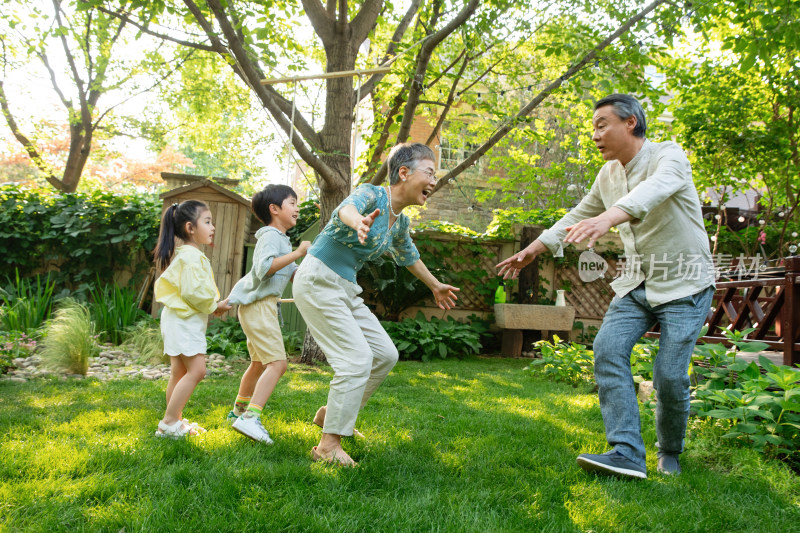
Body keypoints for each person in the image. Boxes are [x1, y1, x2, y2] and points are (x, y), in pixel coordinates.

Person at [497, 94, 715, 478]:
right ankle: (626, 451)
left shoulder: (669, 156)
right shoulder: (608, 174)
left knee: (668, 373)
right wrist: (533, 249)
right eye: (593, 128)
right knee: (607, 349)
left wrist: (609, 219)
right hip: (637, 282)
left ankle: (670, 451)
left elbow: (654, 191)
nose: (595, 135)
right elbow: (577, 214)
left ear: (630, 122)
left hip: (685, 283)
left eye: (601, 125)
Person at [293, 142, 460, 466]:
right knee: (356, 359)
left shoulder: (399, 222)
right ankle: (328, 446)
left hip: (345, 288)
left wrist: (436, 285)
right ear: (403, 172)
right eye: (429, 172)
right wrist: (357, 222)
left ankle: (333, 414)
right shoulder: (373, 195)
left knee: (384, 354)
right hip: (318, 280)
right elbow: (346, 209)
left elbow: (409, 256)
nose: (434, 180)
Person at [226, 185, 311, 444]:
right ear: (274, 209)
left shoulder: (281, 239)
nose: (297, 208)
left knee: (259, 363)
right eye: (292, 203)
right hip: (260, 306)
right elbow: (264, 269)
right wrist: (297, 252)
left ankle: (238, 412)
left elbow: (296, 274)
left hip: (259, 307)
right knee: (278, 363)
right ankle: (251, 418)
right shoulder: (271, 237)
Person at [153, 200, 232, 438]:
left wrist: (211, 307)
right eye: (207, 222)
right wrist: (214, 306)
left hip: (177, 320)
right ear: (190, 227)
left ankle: (175, 421)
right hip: (183, 323)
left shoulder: (185, 255)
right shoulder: (192, 257)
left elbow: (191, 294)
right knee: (197, 371)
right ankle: (168, 423)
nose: (213, 227)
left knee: (178, 372)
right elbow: (194, 292)